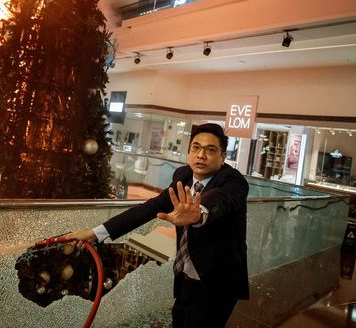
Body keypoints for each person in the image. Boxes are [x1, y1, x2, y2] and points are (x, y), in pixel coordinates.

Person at [64, 123, 249, 327]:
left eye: (210, 149)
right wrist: (96, 233)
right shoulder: (183, 176)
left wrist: (198, 214)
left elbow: (221, 200)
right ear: (189, 152)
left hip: (218, 282)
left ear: (222, 157)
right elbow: (150, 208)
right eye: (196, 147)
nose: (201, 155)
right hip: (187, 276)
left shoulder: (234, 182)